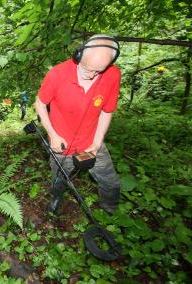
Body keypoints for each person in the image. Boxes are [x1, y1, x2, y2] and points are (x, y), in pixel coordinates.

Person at [34, 34, 121, 214]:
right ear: (79, 55)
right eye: (87, 69)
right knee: (59, 179)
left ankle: (110, 210)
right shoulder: (57, 74)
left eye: (98, 71)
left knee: (110, 182)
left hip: (91, 143)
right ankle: (56, 198)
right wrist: (53, 134)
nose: (90, 75)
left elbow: (107, 111)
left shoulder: (113, 75)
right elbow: (40, 104)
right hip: (61, 144)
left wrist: (97, 143)